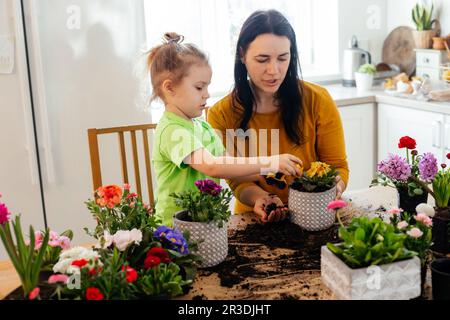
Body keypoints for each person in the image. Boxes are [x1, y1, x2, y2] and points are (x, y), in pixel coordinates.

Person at [207, 10, 349, 223]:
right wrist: (263, 199)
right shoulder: (221, 114)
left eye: (283, 58)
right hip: (253, 220)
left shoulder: (318, 100)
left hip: (314, 215)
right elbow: (237, 182)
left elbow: (337, 165)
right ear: (242, 55)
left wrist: (334, 188)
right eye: (262, 59)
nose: (274, 70)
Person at [148, 32, 302, 226]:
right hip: (176, 228)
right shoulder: (172, 130)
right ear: (169, 88)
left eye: (207, 87)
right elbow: (212, 166)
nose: (207, 94)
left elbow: (227, 165)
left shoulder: (200, 125)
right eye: (199, 87)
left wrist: (269, 175)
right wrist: (269, 162)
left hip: (204, 221)